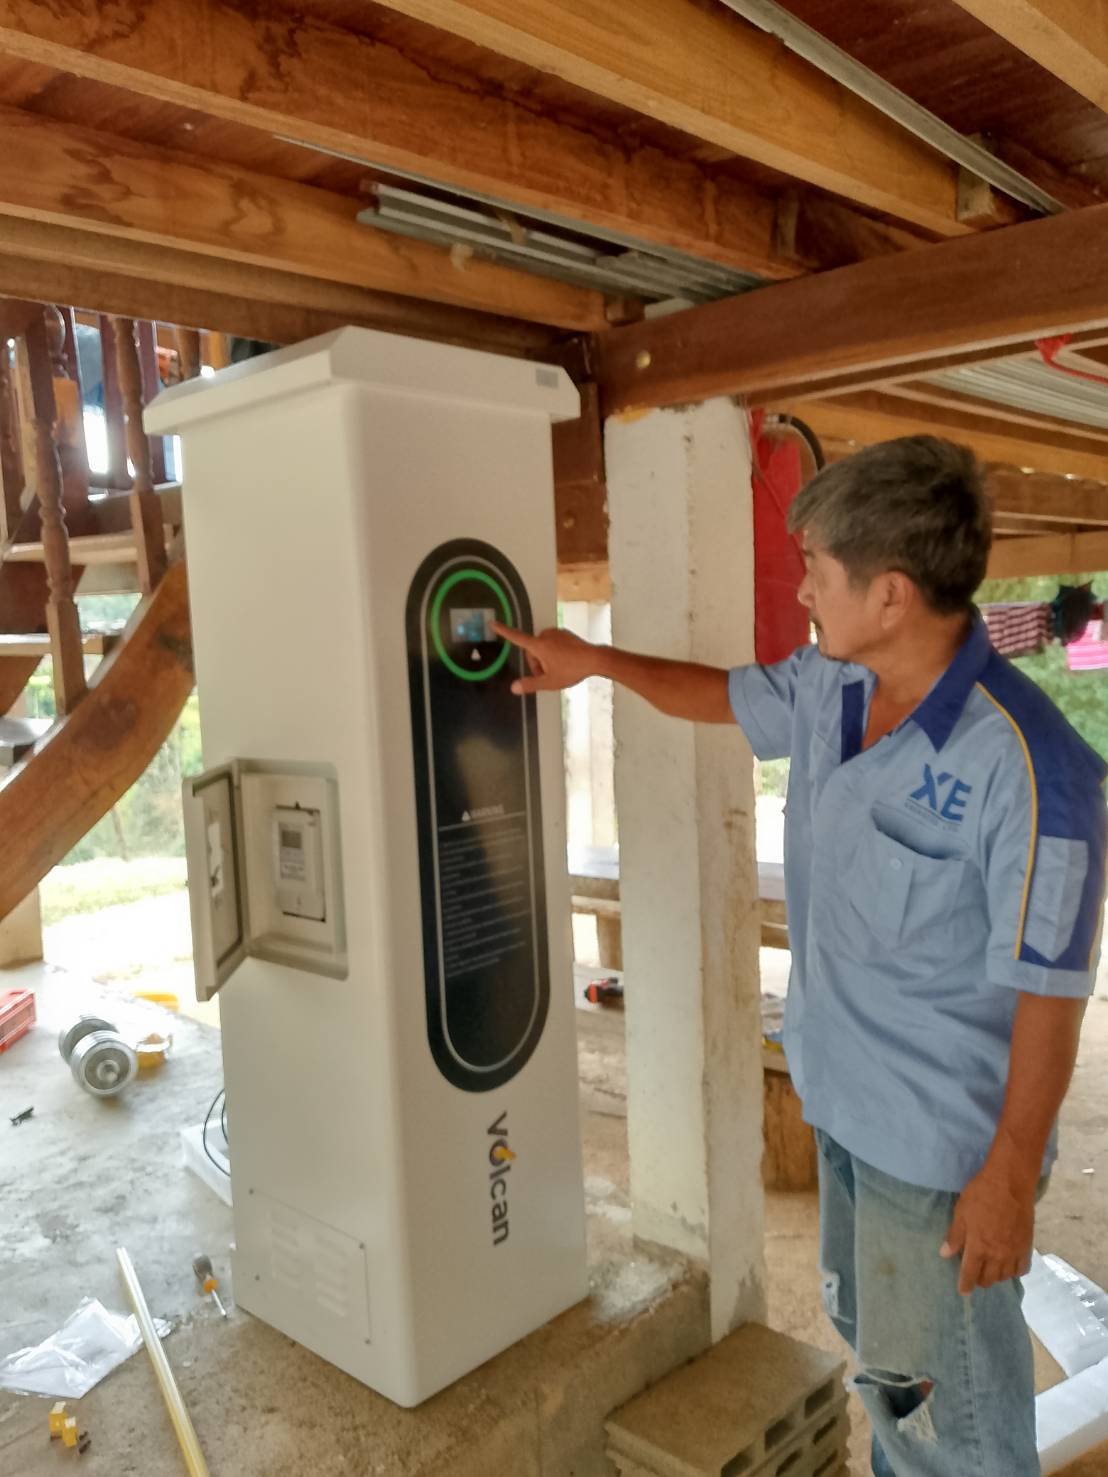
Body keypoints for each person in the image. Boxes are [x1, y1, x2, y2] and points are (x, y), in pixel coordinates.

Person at [492, 435, 1107, 1476]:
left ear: (891, 595)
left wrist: (1008, 1176)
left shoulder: (1031, 766)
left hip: (938, 1153)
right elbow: (722, 695)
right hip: (841, 1101)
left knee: (949, 1417)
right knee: (885, 1364)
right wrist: (595, 663)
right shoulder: (833, 683)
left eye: (816, 569)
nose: (801, 589)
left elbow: (1051, 993)